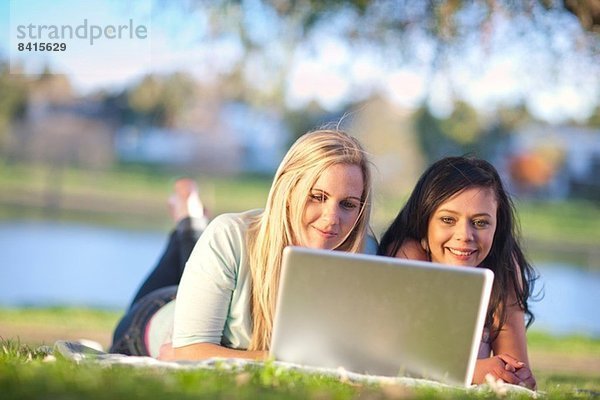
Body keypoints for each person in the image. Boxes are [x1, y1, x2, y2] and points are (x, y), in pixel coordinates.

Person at [110, 129, 375, 360]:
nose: (332, 219)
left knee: (207, 253)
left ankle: (191, 221)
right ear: (288, 191)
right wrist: (287, 360)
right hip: (154, 316)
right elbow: (189, 353)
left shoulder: (368, 254)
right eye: (317, 197)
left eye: (348, 204)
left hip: (213, 292)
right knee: (202, 241)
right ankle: (189, 221)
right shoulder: (228, 235)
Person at [378, 156, 538, 389]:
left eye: (481, 223)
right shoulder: (408, 254)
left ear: (497, 225)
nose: (464, 235)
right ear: (425, 221)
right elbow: (399, 358)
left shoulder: (503, 265)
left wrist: (516, 376)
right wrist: (471, 370)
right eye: (447, 219)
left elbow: (515, 367)